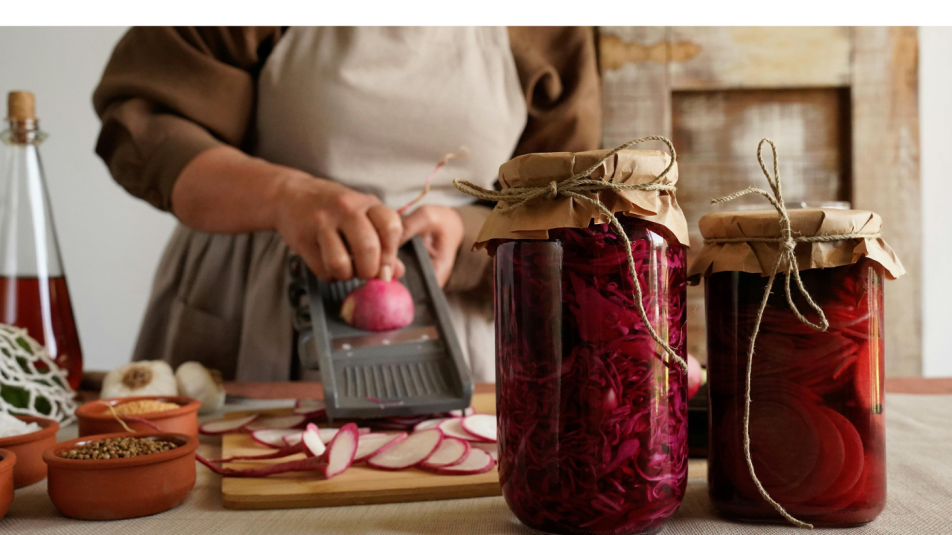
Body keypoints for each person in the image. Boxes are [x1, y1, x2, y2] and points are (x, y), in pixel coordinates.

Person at [93, 27, 601, 383]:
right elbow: (144, 123)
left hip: (458, 320)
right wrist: (284, 195)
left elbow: (568, 197)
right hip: (252, 305)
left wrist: (468, 231)